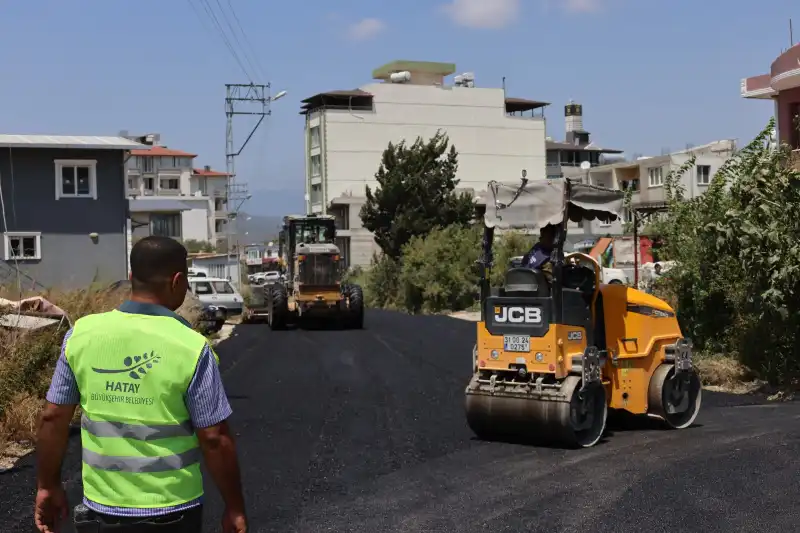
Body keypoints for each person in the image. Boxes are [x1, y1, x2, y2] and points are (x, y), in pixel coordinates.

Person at [34, 236, 247, 533]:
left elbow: (53, 416)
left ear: (132, 277)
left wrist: (47, 485)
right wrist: (234, 507)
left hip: (101, 509)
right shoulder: (191, 347)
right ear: (178, 281)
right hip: (173, 510)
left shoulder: (81, 335)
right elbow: (214, 437)